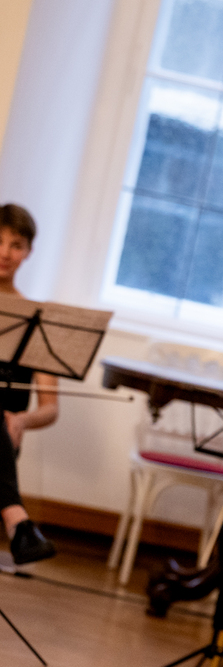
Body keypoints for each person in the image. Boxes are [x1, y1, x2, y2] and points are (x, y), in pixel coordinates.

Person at [0, 204, 59, 565]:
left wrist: (21, 419)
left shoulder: (36, 321)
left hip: (4, 439)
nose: (5, 253)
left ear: (28, 252)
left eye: (16, 245)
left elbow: (50, 408)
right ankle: (17, 520)